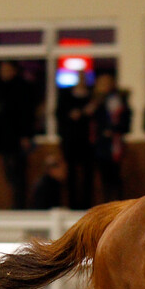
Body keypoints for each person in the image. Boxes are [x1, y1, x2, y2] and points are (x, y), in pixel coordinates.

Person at [0, 61, 36, 209]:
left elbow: (26, 114)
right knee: (8, 173)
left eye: (7, 70)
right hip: (4, 139)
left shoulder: (22, 89)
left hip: (17, 139)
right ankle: (15, 203)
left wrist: (25, 135)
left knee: (18, 174)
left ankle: (20, 205)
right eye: (2, 70)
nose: (4, 73)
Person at [89, 72, 132, 201]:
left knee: (116, 178)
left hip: (116, 146)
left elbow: (126, 123)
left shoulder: (119, 101)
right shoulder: (96, 102)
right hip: (101, 146)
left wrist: (113, 131)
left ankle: (117, 204)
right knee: (104, 179)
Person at [56, 78, 94, 209]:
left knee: (88, 176)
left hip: (88, 143)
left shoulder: (91, 97)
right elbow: (59, 116)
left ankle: (87, 205)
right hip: (70, 142)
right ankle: (72, 205)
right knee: (71, 175)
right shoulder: (65, 97)